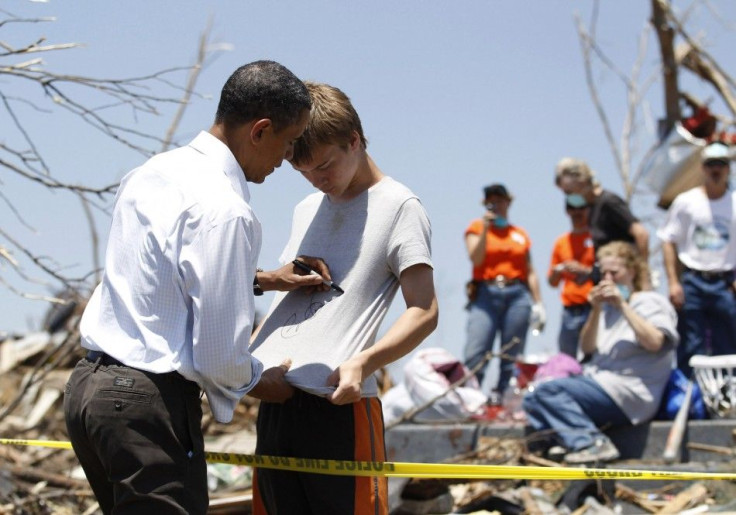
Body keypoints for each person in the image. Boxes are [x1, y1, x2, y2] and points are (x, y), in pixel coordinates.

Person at [63, 61, 330, 513]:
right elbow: (218, 357)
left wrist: (265, 279)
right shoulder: (226, 210)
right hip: (145, 402)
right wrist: (264, 381)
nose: (285, 160)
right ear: (260, 130)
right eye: (287, 144)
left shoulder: (154, 172)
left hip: (89, 392)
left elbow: (160, 273)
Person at [249, 82, 438, 514]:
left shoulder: (399, 206)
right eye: (305, 172)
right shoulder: (305, 208)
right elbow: (288, 313)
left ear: (354, 140)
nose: (318, 180)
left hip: (340, 405)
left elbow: (425, 311)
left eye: (325, 166)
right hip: (277, 403)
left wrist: (362, 363)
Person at [523, 242, 678, 463]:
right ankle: (567, 440)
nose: (607, 279)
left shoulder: (650, 302)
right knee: (531, 398)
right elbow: (586, 349)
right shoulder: (605, 310)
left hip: (630, 392)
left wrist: (623, 305)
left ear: (632, 271)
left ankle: (592, 443)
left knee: (549, 392)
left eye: (614, 273)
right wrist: (596, 310)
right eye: (603, 273)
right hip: (599, 385)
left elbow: (655, 342)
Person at [657, 141, 736, 377]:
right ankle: (692, 398)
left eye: (721, 164)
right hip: (692, 280)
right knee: (691, 343)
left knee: (729, 342)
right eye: (711, 164)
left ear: (728, 168)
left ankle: (727, 399)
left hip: (726, 282)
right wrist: (673, 282)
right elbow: (667, 239)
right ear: (702, 168)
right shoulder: (686, 202)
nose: (716, 169)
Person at [462, 184, 545, 403]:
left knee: (512, 351)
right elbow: (476, 258)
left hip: (517, 295)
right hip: (486, 294)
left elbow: (530, 271)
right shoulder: (476, 228)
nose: (496, 205)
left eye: (500, 201)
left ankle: (503, 395)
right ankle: (472, 395)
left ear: (508, 202)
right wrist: (486, 230)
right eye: (491, 202)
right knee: (477, 349)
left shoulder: (519, 234)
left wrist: (539, 304)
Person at [555, 157, 649, 261]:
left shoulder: (609, 202)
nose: (569, 196)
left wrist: (642, 272)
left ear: (582, 182)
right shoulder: (592, 208)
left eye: (569, 192)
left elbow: (641, 234)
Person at [548, 201, 595, 358]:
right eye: (572, 208)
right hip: (570, 309)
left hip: (594, 306)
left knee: (594, 355)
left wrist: (585, 270)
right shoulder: (561, 242)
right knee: (566, 358)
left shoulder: (596, 239)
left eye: (581, 207)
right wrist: (559, 270)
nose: (577, 212)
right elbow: (552, 282)